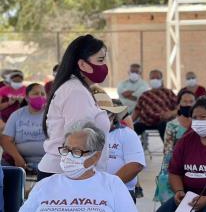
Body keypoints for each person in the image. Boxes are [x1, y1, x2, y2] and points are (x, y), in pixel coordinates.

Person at [19, 121, 137, 212]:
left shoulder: (112, 184)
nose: (68, 156)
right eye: (66, 150)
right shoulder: (44, 185)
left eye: (76, 151)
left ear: (95, 157)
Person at [38, 34, 110, 181]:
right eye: (100, 60)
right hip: (69, 174)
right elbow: (78, 142)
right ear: (83, 64)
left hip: (70, 172)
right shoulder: (76, 92)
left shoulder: (77, 89)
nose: (104, 66)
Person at [93, 90, 145, 203]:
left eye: (105, 113)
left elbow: (135, 165)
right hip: (89, 193)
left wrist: (107, 186)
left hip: (121, 190)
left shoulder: (127, 134)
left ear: (112, 116)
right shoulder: (82, 135)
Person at [154, 90, 196, 204]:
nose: (188, 104)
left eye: (191, 101)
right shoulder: (172, 125)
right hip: (176, 163)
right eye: (185, 101)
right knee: (165, 179)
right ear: (178, 105)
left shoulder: (200, 125)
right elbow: (167, 151)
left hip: (197, 164)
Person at [0, 83, 46, 172]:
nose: (40, 96)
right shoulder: (17, 115)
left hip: (47, 163)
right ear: (27, 98)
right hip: (19, 162)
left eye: (42, 94)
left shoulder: (52, 114)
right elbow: (5, 140)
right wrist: (17, 158)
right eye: (36, 94)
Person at [132, 69, 177, 141]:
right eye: (152, 78)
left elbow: (178, 109)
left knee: (164, 126)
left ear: (161, 79)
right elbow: (137, 111)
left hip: (163, 122)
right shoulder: (145, 95)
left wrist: (171, 113)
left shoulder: (168, 92)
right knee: (132, 129)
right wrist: (128, 124)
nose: (155, 80)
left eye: (157, 78)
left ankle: (167, 149)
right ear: (149, 79)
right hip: (146, 123)